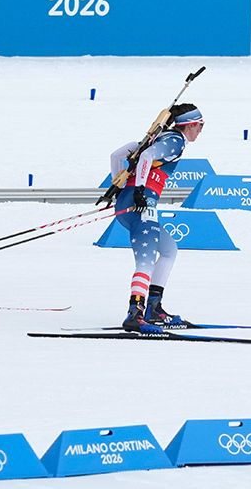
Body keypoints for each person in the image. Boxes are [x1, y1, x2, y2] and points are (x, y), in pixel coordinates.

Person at [104, 103, 206, 332]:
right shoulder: (175, 141)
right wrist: (139, 189)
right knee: (146, 258)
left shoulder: (157, 137)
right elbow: (147, 157)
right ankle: (135, 313)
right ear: (189, 125)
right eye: (200, 125)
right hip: (142, 203)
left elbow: (117, 155)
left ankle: (153, 307)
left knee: (169, 249)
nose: (200, 131)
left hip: (132, 201)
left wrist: (119, 187)